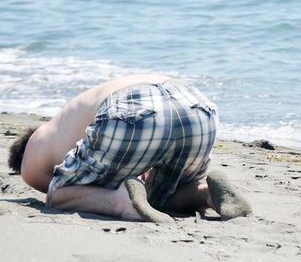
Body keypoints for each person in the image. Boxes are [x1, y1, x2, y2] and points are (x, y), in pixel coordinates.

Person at [6, 74, 251, 223]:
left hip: (131, 108)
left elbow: (64, 191)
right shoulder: (67, 117)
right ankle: (205, 192)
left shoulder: (34, 147)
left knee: (59, 195)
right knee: (158, 195)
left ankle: (122, 204)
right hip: (195, 105)